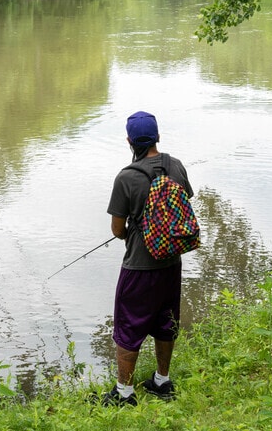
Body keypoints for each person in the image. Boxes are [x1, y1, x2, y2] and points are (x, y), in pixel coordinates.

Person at [103, 111, 194, 406]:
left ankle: (124, 393)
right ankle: (161, 381)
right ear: (158, 137)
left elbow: (117, 229)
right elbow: (182, 206)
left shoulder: (127, 177)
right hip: (171, 262)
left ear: (129, 141)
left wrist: (133, 229)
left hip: (139, 267)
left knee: (128, 327)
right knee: (166, 321)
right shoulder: (175, 166)